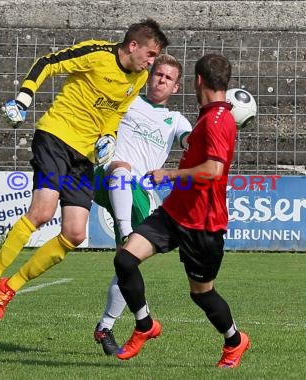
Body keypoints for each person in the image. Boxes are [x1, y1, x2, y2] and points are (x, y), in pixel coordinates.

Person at [0, 19, 169, 321]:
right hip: (56, 137)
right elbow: (47, 63)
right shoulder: (97, 54)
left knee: (75, 234)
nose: (152, 62)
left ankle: (9, 288)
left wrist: (109, 137)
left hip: (85, 156)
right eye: (151, 54)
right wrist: (24, 99)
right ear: (133, 46)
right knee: (41, 212)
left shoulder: (139, 78)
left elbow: (115, 112)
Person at [113, 53, 251, 369]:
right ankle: (145, 325)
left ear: (197, 81)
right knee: (124, 259)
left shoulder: (217, 120)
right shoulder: (210, 116)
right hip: (176, 212)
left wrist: (169, 174)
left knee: (202, 294)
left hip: (203, 224)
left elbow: (214, 170)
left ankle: (234, 341)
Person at [91, 53, 192, 355]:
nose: (161, 80)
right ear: (150, 77)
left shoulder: (175, 120)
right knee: (120, 167)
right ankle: (123, 232)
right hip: (108, 176)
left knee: (127, 263)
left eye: (168, 78)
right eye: (157, 74)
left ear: (176, 87)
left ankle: (105, 326)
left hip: (140, 193)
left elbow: (190, 141)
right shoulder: (129, 99)